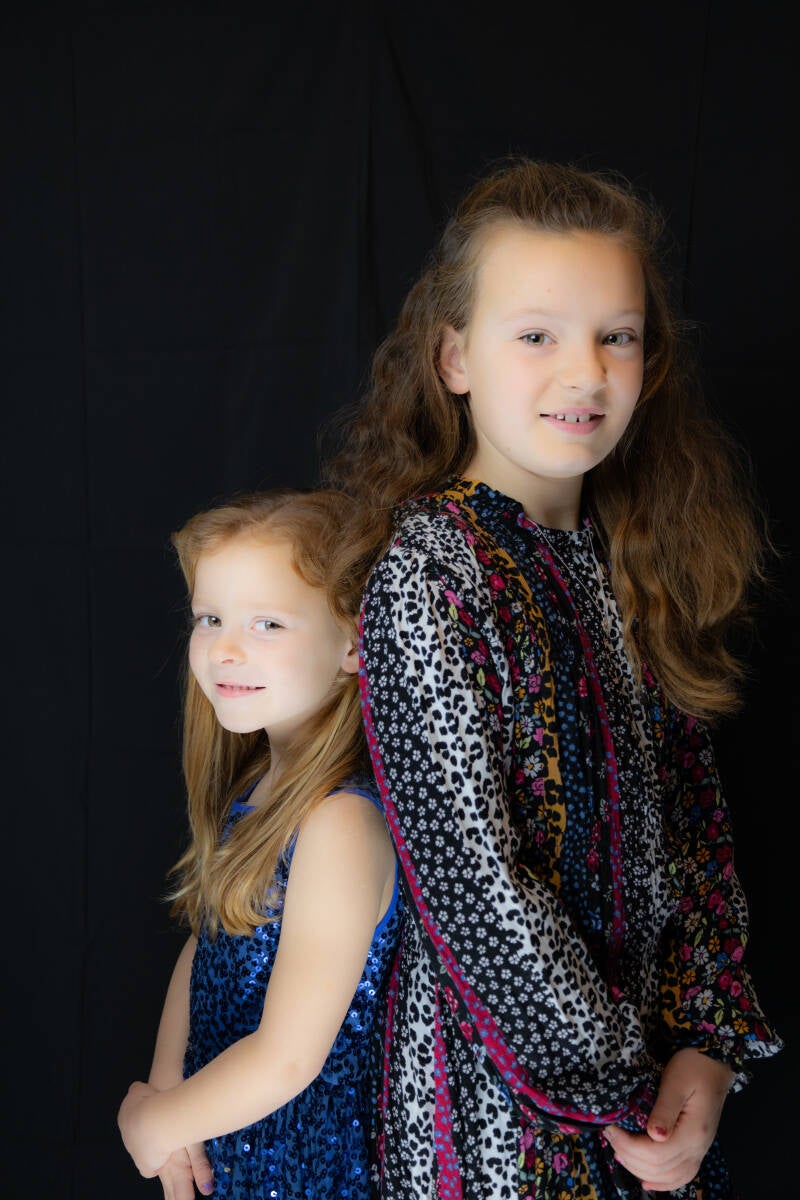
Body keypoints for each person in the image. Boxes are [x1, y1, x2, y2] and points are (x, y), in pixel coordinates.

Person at [322, 158, 783, 1199]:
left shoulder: (634, 562)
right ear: (454, 357)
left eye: (615, 336)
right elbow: (475, 886)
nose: (584, 373)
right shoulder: (431, 572)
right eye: (536, 336)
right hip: (491, 1115)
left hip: (653, 1112)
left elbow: (695, 834)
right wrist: (624, 1091)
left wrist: (705, 1051)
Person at [117, 488, 404, 1200]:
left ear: (353, 645)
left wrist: (154, 1125)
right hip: (226, 1152)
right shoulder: (260, 787)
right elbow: (212, 939)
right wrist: (165, 1086)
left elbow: (288, 1059)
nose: (225, 648)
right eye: (209, 618)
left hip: (307, 1170)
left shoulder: (340, 822)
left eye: (267, 623)